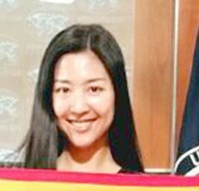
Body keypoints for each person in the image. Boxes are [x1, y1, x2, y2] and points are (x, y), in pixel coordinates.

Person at [10, 24, 143, 174]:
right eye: (64, 90)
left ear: (117, 94)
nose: (78, 108)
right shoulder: (10, 186)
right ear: (48, 97)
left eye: (94, 89)